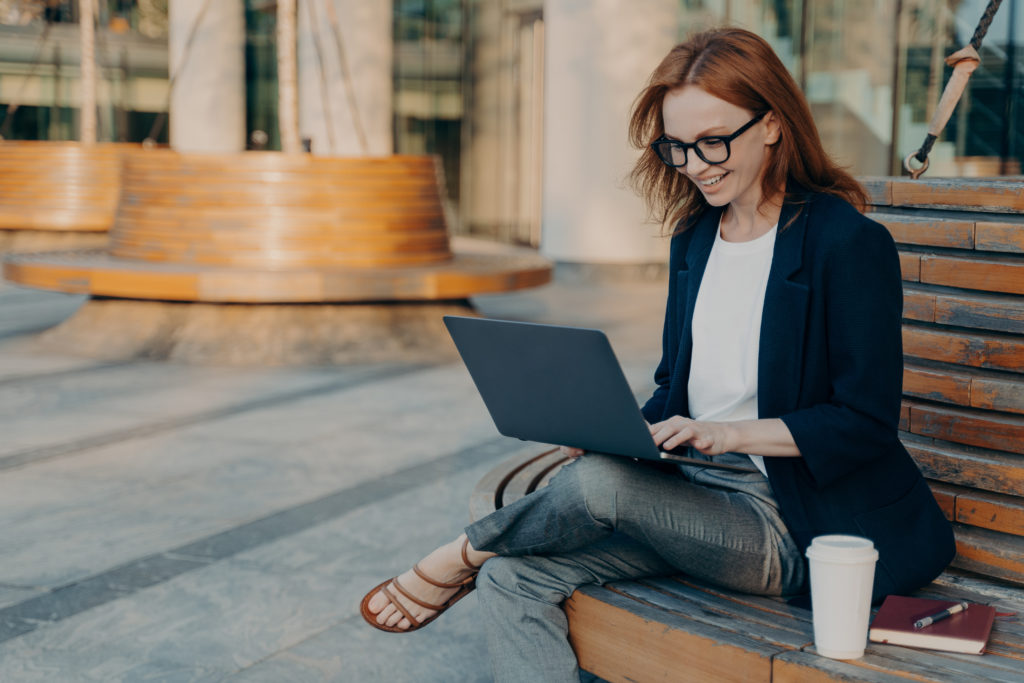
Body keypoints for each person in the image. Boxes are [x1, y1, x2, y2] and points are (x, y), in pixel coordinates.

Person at [361, 26, 956, 682]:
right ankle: (489, 558)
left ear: (772, 126)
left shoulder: (848, 244)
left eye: (713, 141)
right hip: (691, 494)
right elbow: (676, 383)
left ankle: (460, 553)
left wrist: (728, 432)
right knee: (514, 578)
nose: (696, 165)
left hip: (788, 521)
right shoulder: (696, 238)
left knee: (592, 490)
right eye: (677, 146)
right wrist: (617, 429)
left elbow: (865, 421)